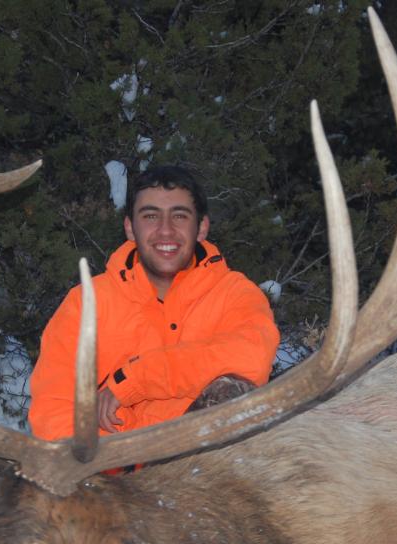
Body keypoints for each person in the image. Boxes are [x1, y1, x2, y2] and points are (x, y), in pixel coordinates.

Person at [28, 165, 280, 441]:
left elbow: (252, 358)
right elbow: (53, 411)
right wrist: (105, 473)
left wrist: (138, 379)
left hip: (204, 470)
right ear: (130, 228)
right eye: (150, 216)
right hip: (110, 474)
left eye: (180, 216)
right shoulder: (86, 304)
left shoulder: (236, 294)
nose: (165, 231)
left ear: (202, 228)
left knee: (232, 393)